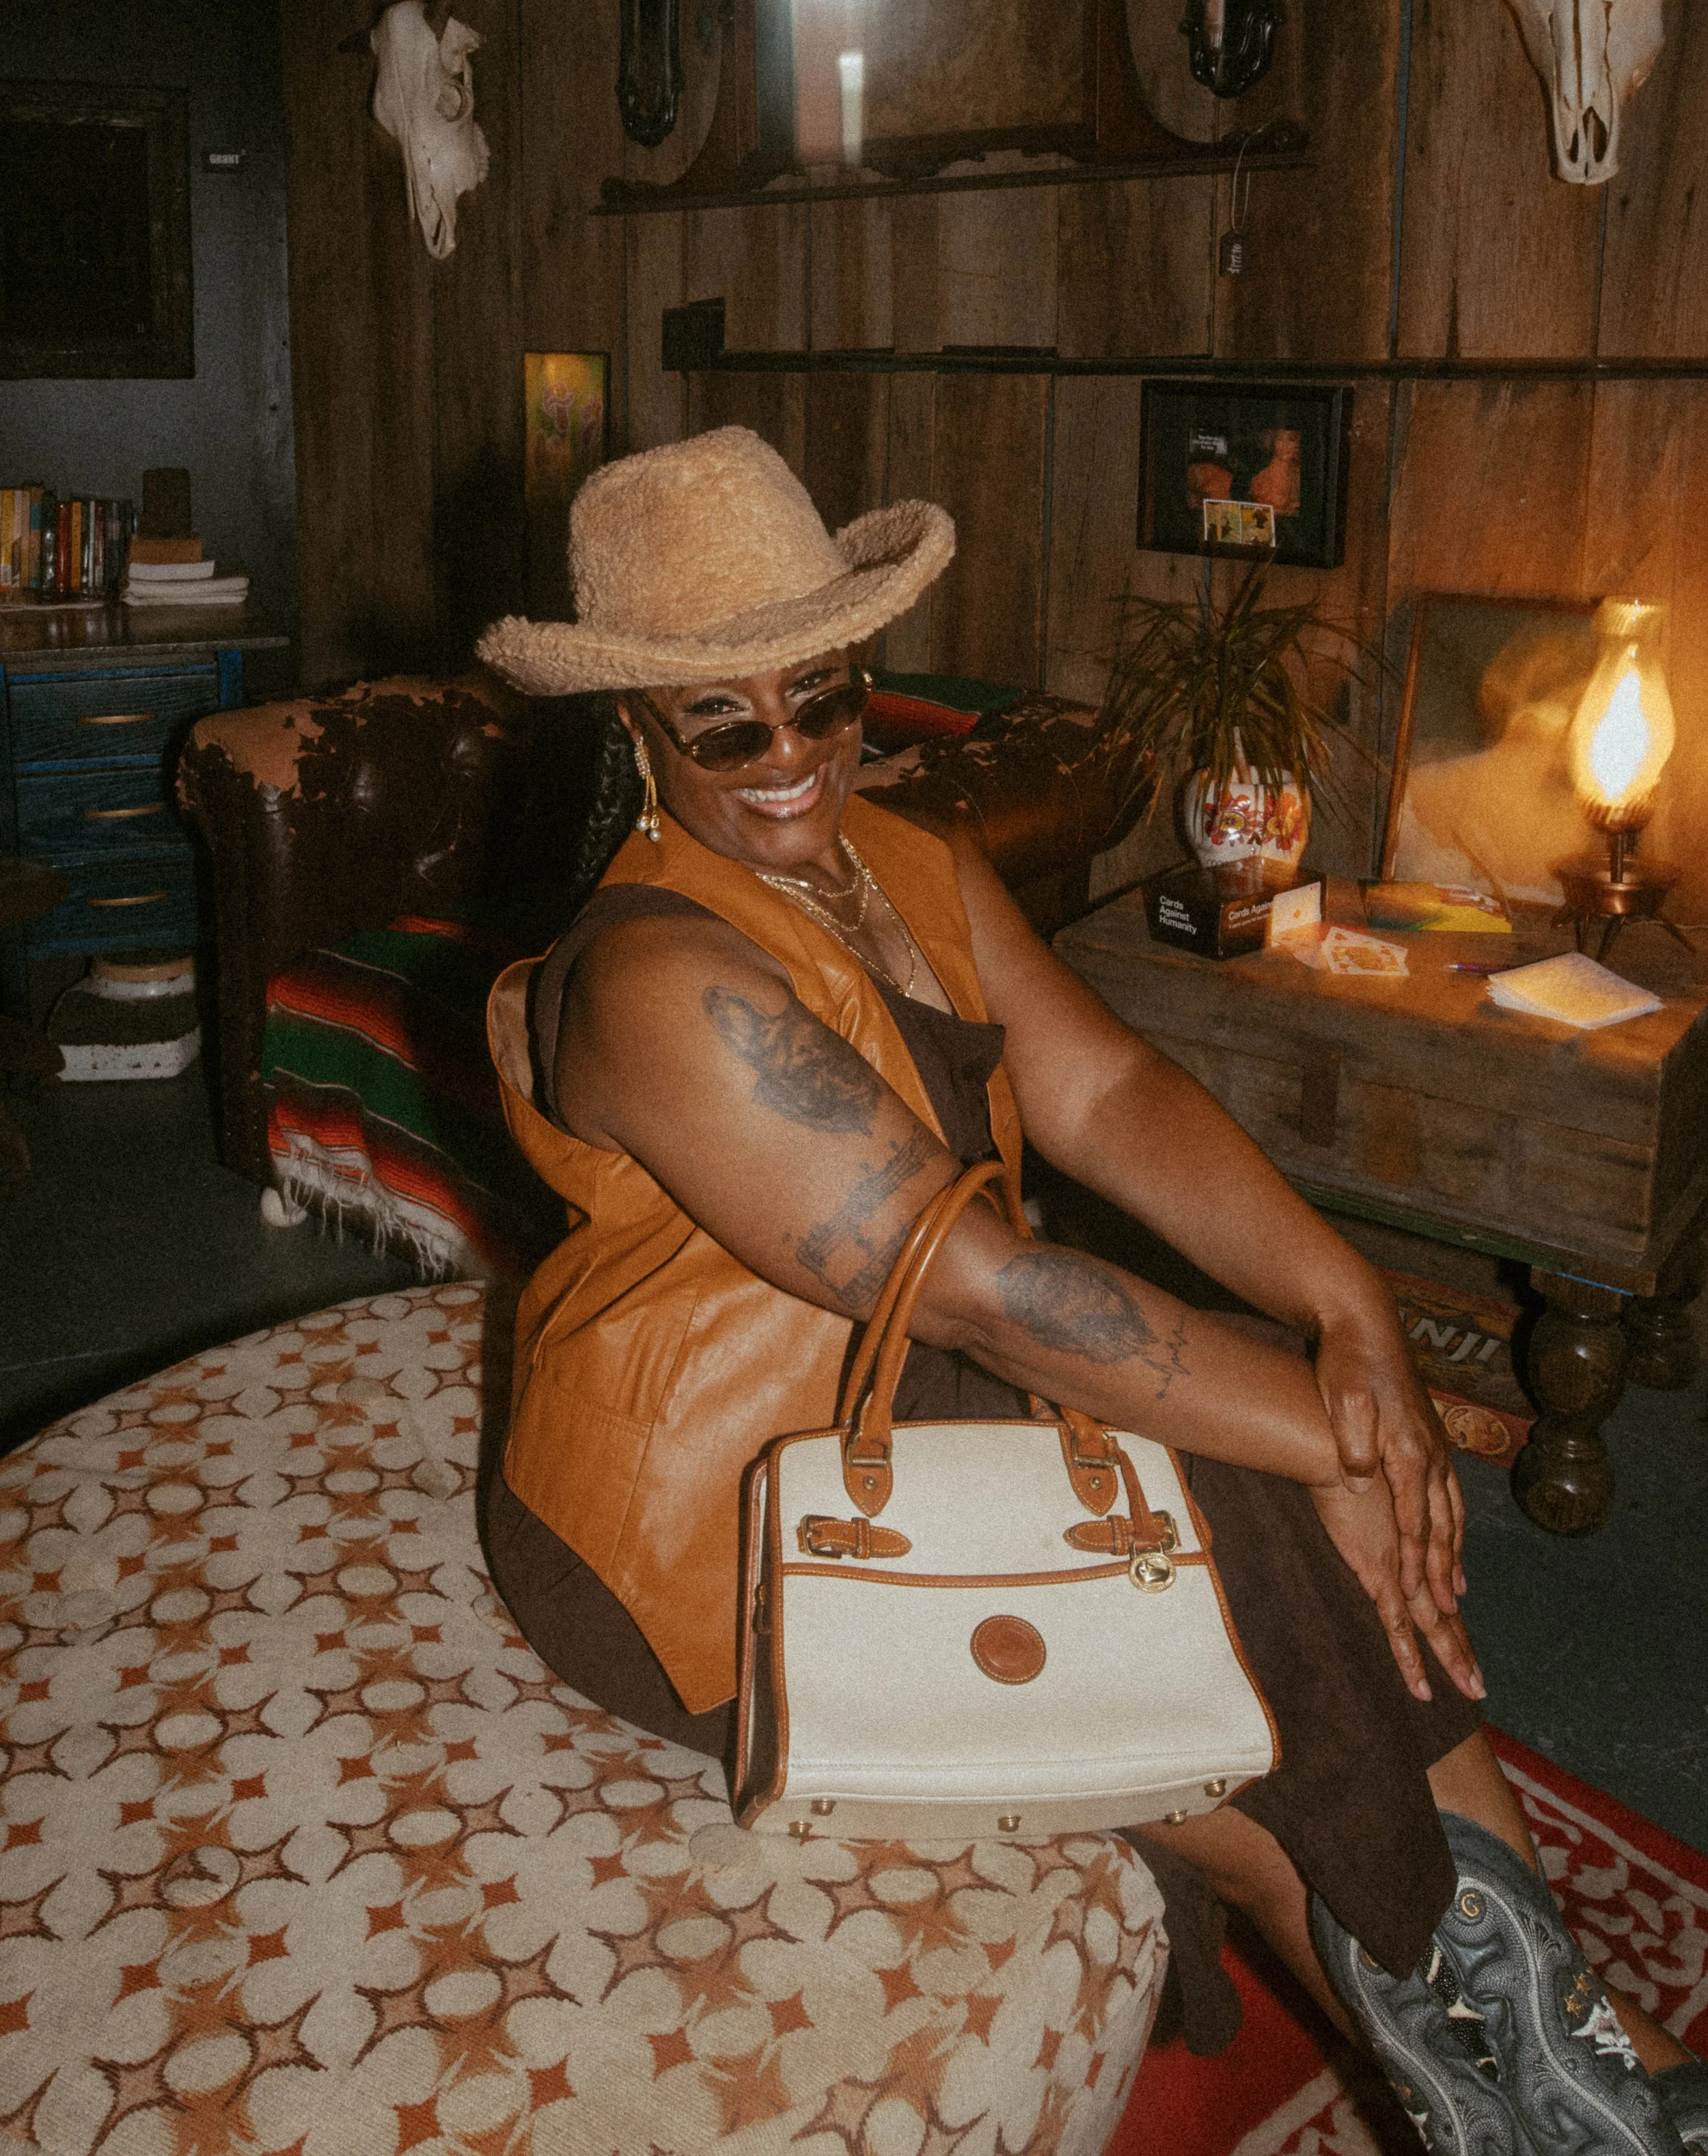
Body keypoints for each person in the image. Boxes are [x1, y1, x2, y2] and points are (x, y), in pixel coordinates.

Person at [478, 428, 1703, 2155]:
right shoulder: (656, 979)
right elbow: (985, 1292)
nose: (791, 757)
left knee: (1265, 1485)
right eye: (723, 724)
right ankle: (1581, 2081)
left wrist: (1354, 1319)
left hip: (909, 1401)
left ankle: (1572, 2068)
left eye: (820, 699)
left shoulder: (896, 863)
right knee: (1278, 1720)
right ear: (632, 733)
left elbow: (1112, 1097)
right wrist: (1352, 1443)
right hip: (712, 1528)